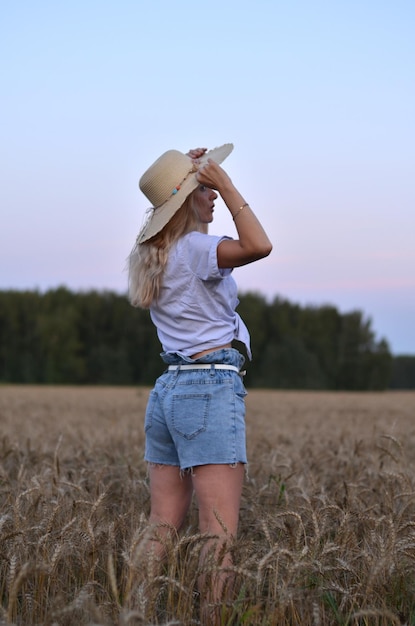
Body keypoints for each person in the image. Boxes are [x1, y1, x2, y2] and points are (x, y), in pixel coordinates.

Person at [128, 143, 272, 622]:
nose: (211, 194)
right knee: (218, 537)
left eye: (212, 187)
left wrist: (189, 178)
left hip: (168, 390)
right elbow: (259, 246)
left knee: (161, 526)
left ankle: (136, 612)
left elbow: (195, 240)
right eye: (202, 190)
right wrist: (230, 188)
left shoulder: (156, 252)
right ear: (186, 201)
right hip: (209, 391)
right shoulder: (195, 251)